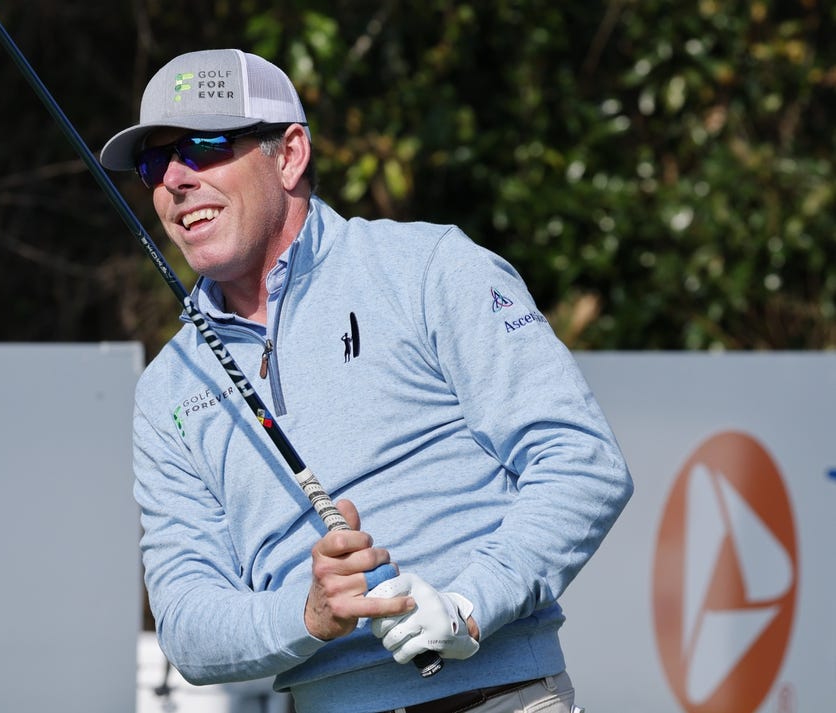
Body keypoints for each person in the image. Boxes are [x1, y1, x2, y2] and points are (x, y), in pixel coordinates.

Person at [99, 49, 633, 713]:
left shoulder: (428, 268)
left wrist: (469, 605)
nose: (175, 180)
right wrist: (308, 614)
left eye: (205, 148)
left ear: (289, 154)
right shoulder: (167, 391)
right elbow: (185, 622)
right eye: (156, 163)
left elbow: (582, 463)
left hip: (503, 694)